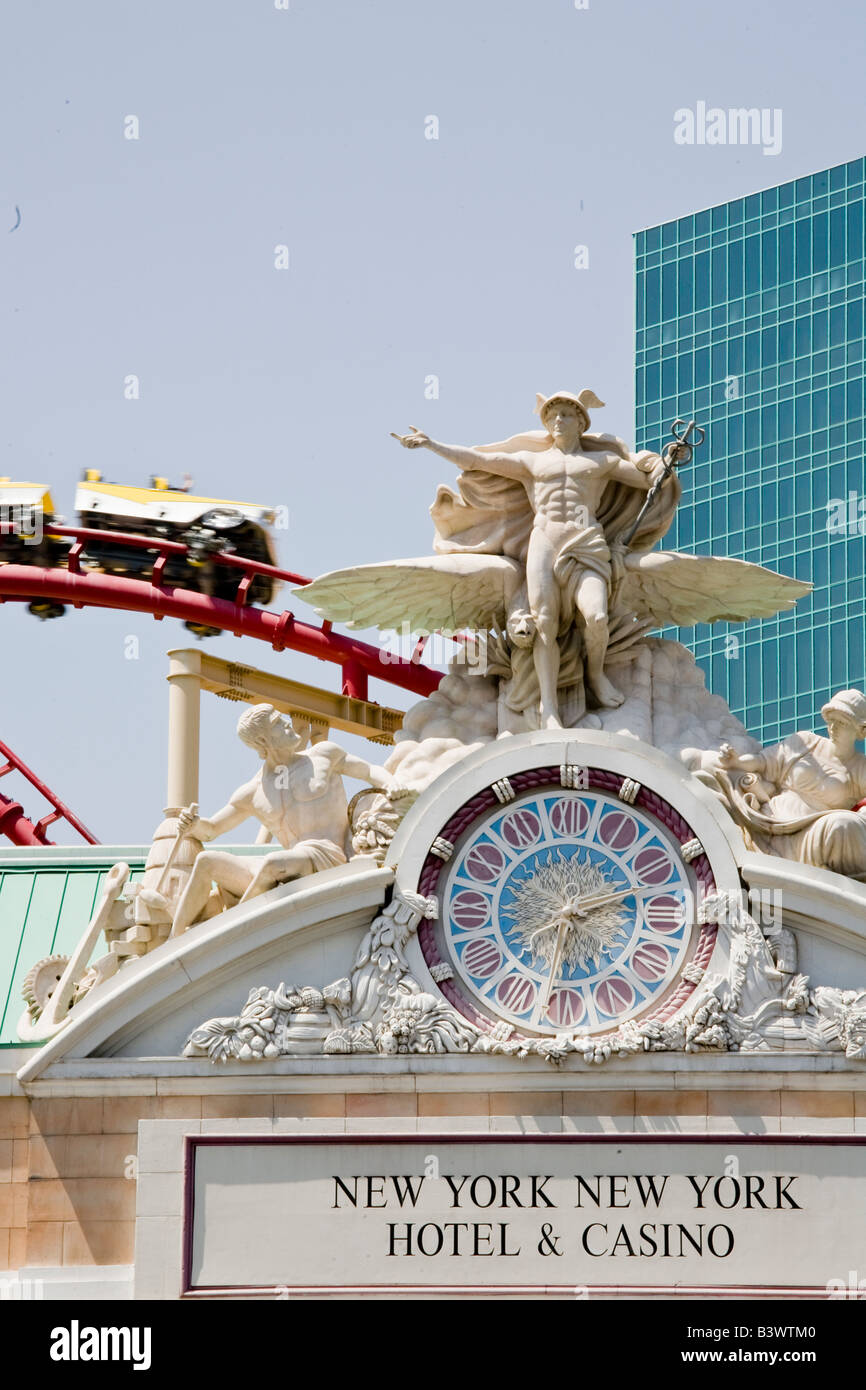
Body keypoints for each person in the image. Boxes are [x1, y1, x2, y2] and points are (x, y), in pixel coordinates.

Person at [394, 390, 677, 726]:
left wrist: (660, 462)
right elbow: (477, 460)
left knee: (597, 616)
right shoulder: (533, 461)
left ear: (581, 422)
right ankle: (550, 710)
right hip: (544, 542)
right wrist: (432, 444)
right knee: (544, 625)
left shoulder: (601, 462)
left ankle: (596, 676)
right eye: (553, 415)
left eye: (566, 415)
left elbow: (650, 484)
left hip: (586, 542)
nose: (558, 421)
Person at [170, 704, 403, 936]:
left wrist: (390, 783)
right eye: (277, 724)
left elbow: (368, 770)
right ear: (263, 742)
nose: (288, 725)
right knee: (206, 861)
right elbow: (211, 830)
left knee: (273, 863)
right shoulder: (253, 792)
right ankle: (174, 940)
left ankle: (235, 934)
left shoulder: (322, 755)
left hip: (329, 856)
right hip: (289, 866)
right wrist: (193, 825)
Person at [695, 689, 866, 877]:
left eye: (841, 723)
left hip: (816, 832)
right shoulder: (806, 742)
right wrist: (736, 761)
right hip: (775, 820)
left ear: (860, 730)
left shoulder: (861, 768)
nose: (833, 728)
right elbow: (764, 761)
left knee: (843, 823)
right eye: (831, 720)